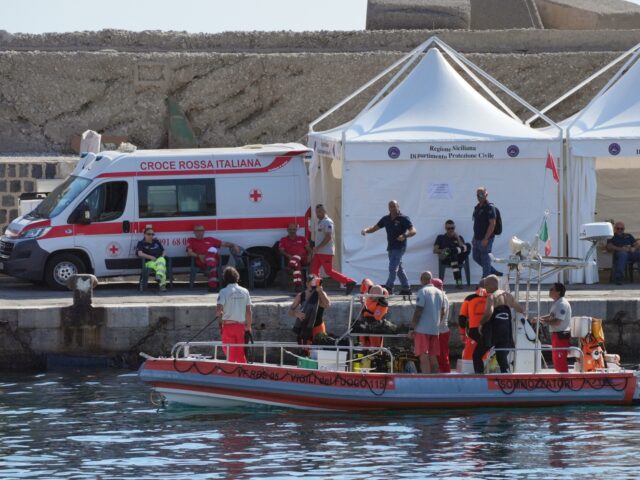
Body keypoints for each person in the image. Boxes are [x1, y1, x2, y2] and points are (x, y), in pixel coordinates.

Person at [361, 200, 416, 295]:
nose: (392, 208)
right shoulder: (386, 219)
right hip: (390, 247)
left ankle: (389, 287)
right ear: (388, 208)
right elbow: (374, 228)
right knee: (399, 268)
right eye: (390, 206)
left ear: (398, 206)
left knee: (392, 267)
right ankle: (406, 288)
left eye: (394, 206)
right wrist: (365, 230)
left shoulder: (403, 218)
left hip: (400, 247)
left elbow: (413, 230)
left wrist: (404, 235)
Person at [476, 274, 524, 373]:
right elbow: (520, 309)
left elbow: (489, 312)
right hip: (506, 331)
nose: (485, 288)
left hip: (493, 331)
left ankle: (479, 377)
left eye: (486, 285)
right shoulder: (508, 295)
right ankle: (506, 377)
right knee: (501, 357)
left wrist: (481, 324)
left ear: (491, 285)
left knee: (477, 355)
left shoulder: (492, 296)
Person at [311, 204, 356, 295]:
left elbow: (328, 237)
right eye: (317, 212)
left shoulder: (328, 222)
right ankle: (317, 288)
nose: (318, 213)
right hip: (319, 252)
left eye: (320, 211)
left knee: (328, 271)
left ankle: (349, 282)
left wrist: (318, 247)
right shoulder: (319, 222)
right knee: (314, 270)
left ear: (324, 211)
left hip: (326, 252)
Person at [409, 271, 445, 374]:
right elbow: (443, 312)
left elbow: (418, 311)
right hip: (434, 329)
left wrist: (412, 328)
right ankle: (434, 379)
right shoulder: (440, 292)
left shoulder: (422, 291)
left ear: (422, 280)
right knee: (433, 356)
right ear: (430, 279)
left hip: (422, 329)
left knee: (423, 356)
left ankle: (426, 378)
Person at [187, 224, 241, 292]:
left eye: (201, 230)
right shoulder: (191, 240)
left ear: (204, 231)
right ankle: (212, 284)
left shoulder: (210, 239)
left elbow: (224, 244)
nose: (199, 232)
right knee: (213, 263)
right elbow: (189, 253)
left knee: (212, 251)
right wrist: (199, 256)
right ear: (194, 232)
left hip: (212, 260)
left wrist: (233, 245)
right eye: (197, 231)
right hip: (201, 261)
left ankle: (209, 271)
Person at [533, 282, 572, 373]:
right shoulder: (557, 303)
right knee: (556, 359)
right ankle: (560, 379)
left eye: (551, 289)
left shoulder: (562, 304)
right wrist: (540, 318)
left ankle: (564, 380)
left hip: (561, 336)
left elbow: (557, 321)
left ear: (558, 292)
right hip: (556, 335)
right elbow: (551, 316)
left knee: (560, 359)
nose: (549, 291)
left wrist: (542, 321)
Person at [216, 266, 252, 363]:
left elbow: (219, 310)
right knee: (241, 352)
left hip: (228, 326)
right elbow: (248, 311)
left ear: (225, 278)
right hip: (241, 326)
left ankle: (231, 373)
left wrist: (219, 314)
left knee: (229, 352)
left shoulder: (223, 291)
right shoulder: (245, 291)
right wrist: (249, 326)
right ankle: (242, 372)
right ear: (237, 277)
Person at [288, 274, 331, 345]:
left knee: (319, 348)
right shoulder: (301, 295)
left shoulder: (321, 293)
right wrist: (297, 314)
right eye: (312, 282)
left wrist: (320, 291)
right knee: (305, 350)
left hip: (318, 326)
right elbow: (290, 311)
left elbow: (327, 305)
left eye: (315, 282)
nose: (314, 284)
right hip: (305, 326)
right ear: (307, 284)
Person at [472, 187, 501, 278]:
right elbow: (476, 224)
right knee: (476, 257)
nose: (479, 196)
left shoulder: (490, 207)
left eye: (481, 194)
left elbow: (492, 223)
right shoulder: (477, 207)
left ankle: (485, 282)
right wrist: (474, 237)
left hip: (486, 239)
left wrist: (486, 238)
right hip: (477, 238)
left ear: (486, 194)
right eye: (478, 195)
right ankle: (493, 271)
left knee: (485, 260)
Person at [433, 219, 471, 289]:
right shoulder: (440, 237)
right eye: (448, 228)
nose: (450, 230)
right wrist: (444, 250)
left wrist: (458, 238)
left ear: (454, 228)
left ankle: (451, 251)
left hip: (459, 258)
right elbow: (435, 250)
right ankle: (458, 283)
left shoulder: (459, 237)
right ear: (445, 228)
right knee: (452, 256)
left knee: (468, 245)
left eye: (452, 228)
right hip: (446, 257)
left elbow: (463, 248)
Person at [458, 280, 488, 368]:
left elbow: (462, 317)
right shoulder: (493, 298)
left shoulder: (469, 298)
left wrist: (462, 333)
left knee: (471, 353)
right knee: (487, 351)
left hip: (474, 332)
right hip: (489, 331)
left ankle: (472, 372)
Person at [279, 223, 311, 292]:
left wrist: (309, 256)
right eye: (290, 229)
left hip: (303, 259)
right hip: (292, 259)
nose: (292, 231)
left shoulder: (302, 239)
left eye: (294, 229)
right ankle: (298, 285)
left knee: (300, 252)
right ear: (287, 230)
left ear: (296, 230)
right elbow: (281, 250)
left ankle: (292, 264)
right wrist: (288, 256)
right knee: (297, 265)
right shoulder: (283, 239)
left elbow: (309, 250)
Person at [136, 227, 167, 292]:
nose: (151, 236)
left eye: (153, 234)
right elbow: (140, 253)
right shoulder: (141, 243)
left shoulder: (156, 242)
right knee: (161, 267)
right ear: (144, 234)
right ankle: (162, 285)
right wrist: (151, 257)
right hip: (149, 262)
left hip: (159, 260)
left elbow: (164, 251)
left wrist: (162, 257)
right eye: (149, 234)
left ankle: (158, 275)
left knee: (161, 261)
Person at [431, 278, 451, 373]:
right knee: (440, 355)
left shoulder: (442, 298)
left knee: (442, 356)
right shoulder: (440, 297)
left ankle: (445, 374)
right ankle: (443, 372)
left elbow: (441, 315)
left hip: (441, 331)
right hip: (440, 330)